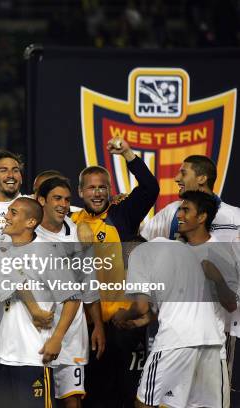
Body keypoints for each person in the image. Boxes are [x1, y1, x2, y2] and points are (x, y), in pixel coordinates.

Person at [70, 137, 159, 407]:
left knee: (127, 395)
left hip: (124, 324)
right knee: (93, 395)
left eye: (102, 188)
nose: (97, 193)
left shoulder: (123, 214)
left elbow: (150, 188)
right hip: (87, 326)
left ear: (110, 190)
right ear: (81, 191)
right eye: (91, 188)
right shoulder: (71, 221)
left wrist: (128, 154)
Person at [114, 237, 225, 408]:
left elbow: (141, 307)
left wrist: (124, 315)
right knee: (192, 404)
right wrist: (137, 323)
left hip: (176, 339)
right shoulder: (180, 250)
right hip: (210, 339)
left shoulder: (137, 254)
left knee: (145, 401)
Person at [0, 196, 81, 408]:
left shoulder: (47, 252)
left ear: (30, 222)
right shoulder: (0, 249)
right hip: (1, 356)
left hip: (33, 354)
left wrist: (57, 338)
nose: (6, 216)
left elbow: (73, 298)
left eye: (13, 213)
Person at [36, 177, 105, 407]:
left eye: (67, 199)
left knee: (73, 401)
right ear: (41, 200)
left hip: (73, 334)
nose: (63, 204)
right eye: (57, 198)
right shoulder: (27, 232)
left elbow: (89, 285)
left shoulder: (79, 235)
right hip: (36, 333)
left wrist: (97, 325)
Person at [174, 190, 237, 407]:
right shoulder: (176, 252)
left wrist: (218, 279)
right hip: (178, 351)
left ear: (201, 217)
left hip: (208, 354)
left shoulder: (219, 252)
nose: (179, 215)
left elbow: (231, 304)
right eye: (179, 209)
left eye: (185, 210)